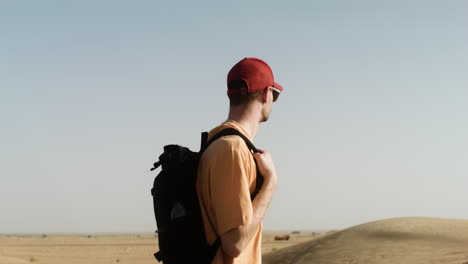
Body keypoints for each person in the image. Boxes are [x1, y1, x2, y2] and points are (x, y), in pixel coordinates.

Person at [196, 57, 283, 264]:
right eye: (275, 95)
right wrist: (270, 183)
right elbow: (235, 243)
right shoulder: (232, 149)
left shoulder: (222, 144)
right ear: (266, 94)